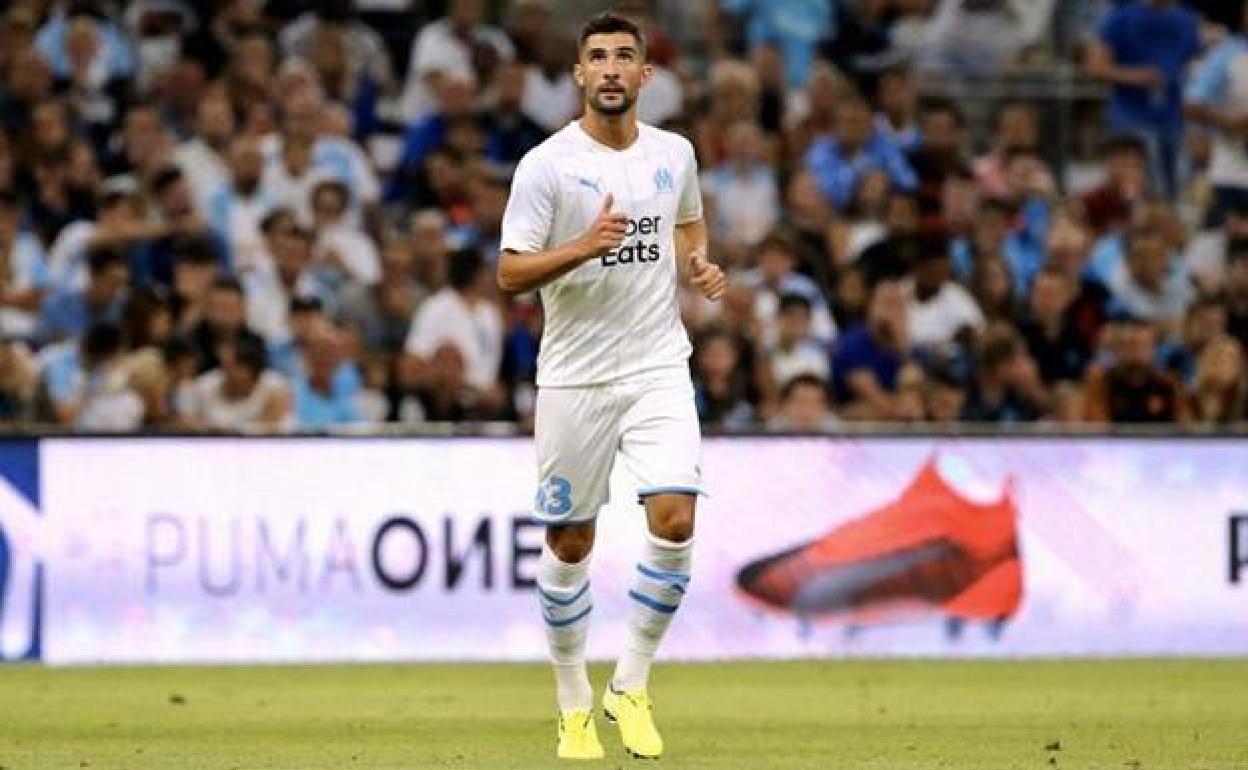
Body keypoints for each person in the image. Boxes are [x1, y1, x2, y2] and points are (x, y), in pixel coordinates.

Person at [496, 13, 725, 761]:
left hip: (659, 365)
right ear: (580, 76)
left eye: (626, 57)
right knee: (570, 540)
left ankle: (630, 683)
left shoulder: (675, 153)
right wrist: (581, 246)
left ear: (646, 75)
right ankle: (572, 704)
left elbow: (687, 223)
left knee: (675, 520)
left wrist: (697, 263)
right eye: (598, 58)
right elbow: (508, 273)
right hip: (574, 378)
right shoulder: (547, 166)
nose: (612, 69)